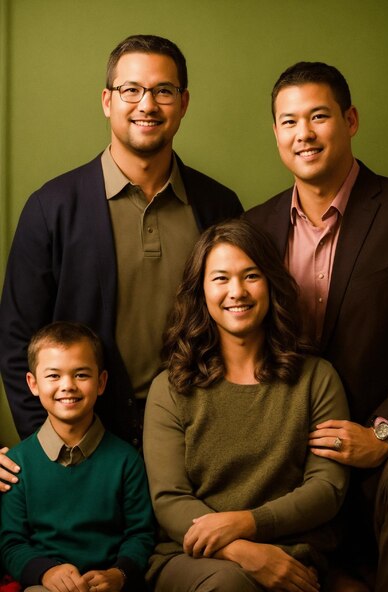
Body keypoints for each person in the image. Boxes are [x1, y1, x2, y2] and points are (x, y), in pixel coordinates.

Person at [245, 61, 388, 592]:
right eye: (288, 122)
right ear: (276, 134)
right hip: (287, 455)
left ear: (350, 119)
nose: (303, 134)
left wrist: (382, 434)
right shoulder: (254, 228)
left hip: (382, 452)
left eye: (318, 117)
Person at [0, 34, 243, 488]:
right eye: (131, 90)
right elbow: (17, 339)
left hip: (199, 442)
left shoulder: (217, 205)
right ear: (107, 101)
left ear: (183, 102)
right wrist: (50, 444)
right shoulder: (52, 207)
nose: (146, 104)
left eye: (163, 90)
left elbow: (241, 329)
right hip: (88, 446)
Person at [143, 219, 350, 592]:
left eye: (251, 276)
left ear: (271, 284)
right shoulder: (170, 388)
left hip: (290, 554)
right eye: (220, 278)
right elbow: (170, 501)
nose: (236, 292)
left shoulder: (316, 377)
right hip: (191, 559)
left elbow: (327, 488)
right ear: (201, 292)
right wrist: (243, 549)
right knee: (230, 589)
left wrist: (249, 523)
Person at [0, 321, 155, 592]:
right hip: (42, 587)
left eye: (81, 374)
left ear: (101, 382)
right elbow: (12, 542)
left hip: (105, 588)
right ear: (33, 384)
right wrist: (45, 572)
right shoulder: (17, 464)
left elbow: (141, 534)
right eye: (53, 376)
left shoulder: (126, 460)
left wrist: (118, 574)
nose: (67, 385)